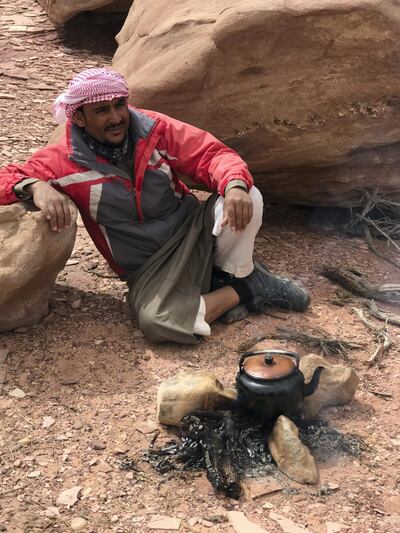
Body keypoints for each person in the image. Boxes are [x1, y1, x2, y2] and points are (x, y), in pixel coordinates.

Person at [0, 67, 310, 344]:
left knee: (248, 197)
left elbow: (212, 155)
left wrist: (235, 185)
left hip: (191, 232)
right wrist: (33, 185)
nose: (116, 117)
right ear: (79, 118)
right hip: (146, 266)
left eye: (120, 105)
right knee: (157, 324)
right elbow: (6, 176)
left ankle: (232, 276)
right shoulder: (63, 159)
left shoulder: (154, 130)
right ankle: (249, 288)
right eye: (102, 110)